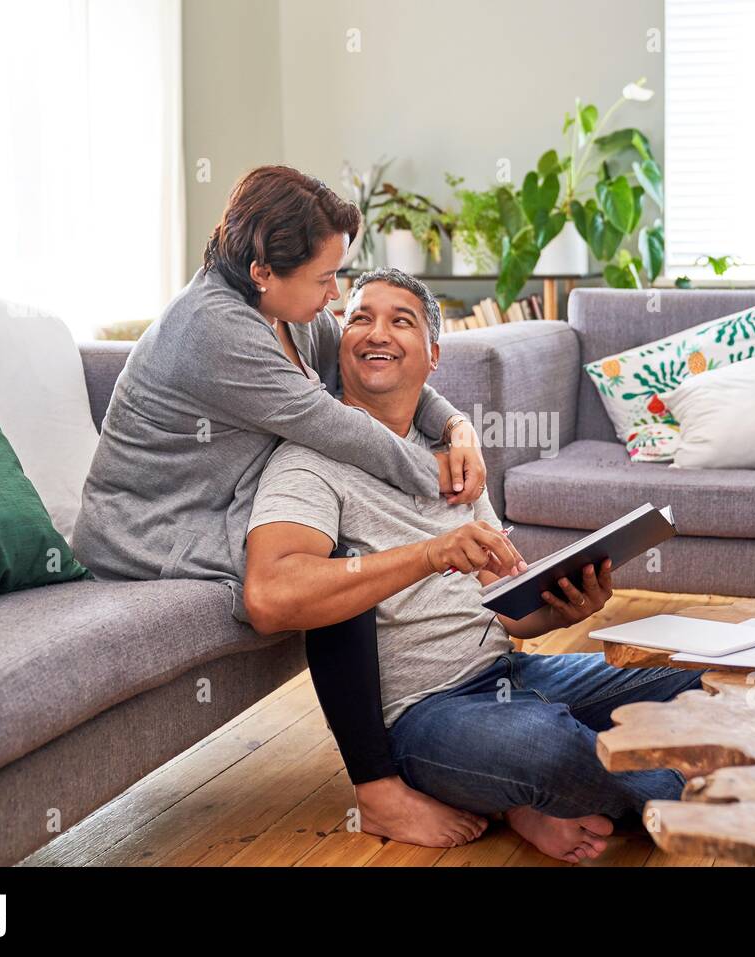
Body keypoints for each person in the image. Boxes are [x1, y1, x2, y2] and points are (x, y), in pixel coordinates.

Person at [74, 166, 520, 847]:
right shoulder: (212, 330)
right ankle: (378, 790)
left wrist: (459, 427)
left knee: (341, 551)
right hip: (151, 525)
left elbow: (355, 364)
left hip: (217, 498)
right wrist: (438, 474)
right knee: (342, 566)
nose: (334, 295)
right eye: (324, 279)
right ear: (262, 270)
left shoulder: (290, 315)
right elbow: (335, 424)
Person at [243, 268, 703, 862]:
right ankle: (686, 791)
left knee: (709, 679)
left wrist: (566, 606)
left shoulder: (454, 461)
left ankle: (555, 792)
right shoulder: (310, 461)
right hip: (425, 716)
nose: (374, 332)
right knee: (549, 746)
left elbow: (511, 614)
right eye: (360, 317)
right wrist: (430, 553)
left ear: (433, 355)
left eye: (399, 320)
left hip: (513, 677)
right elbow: (269, 593)